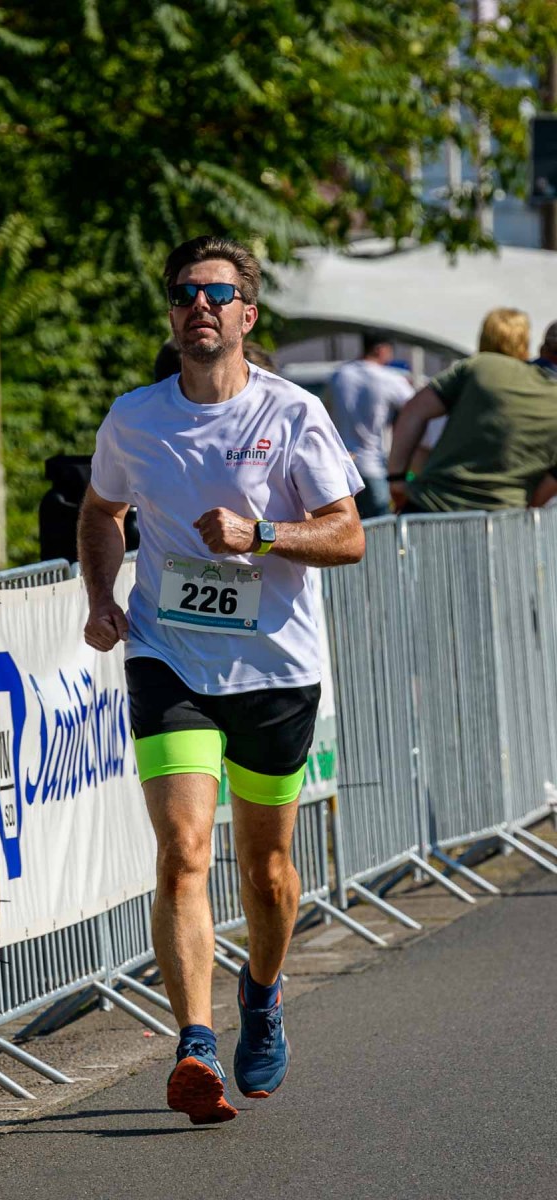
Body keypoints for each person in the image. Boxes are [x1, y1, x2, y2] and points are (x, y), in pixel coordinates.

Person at [79, 235, 364, 1125]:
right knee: (184, 850)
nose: (198, 305)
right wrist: (100, 596)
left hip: (275, 667)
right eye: (183, 293)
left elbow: (348, 533)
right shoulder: (134, 417)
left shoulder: (294, 412)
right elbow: (101, 510)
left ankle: (263, 993)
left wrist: (262, 535)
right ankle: (196, 1043)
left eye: (216, 292)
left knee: (268, 871)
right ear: (172, 314)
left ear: (248, 313)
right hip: (170, 658)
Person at [388, 319, 557, 514]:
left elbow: (414, 410)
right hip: (501, 522)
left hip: (429, 508)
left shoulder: (484, 366)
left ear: (543, 348)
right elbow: (541, 496)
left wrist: (396, 479)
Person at [326, 330, 414, 519]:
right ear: (381, 349)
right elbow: (416, 408)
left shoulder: (339, 376)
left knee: (348, 524)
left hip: (342, 466)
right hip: (373, 465)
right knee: (381, 526)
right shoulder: (388, 378)